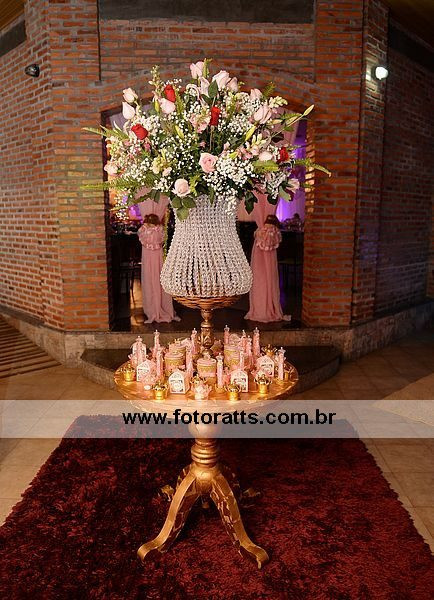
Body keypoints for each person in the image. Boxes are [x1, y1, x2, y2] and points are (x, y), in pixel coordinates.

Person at [137, 198, 179, 323]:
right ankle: (155, 308)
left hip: (153, 255)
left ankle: (157, 308)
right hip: (153, 255)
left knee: (156, 276)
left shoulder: (150, 230)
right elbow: (159, 240)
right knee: (154, 276)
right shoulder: (154, 229)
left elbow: (149, 239)